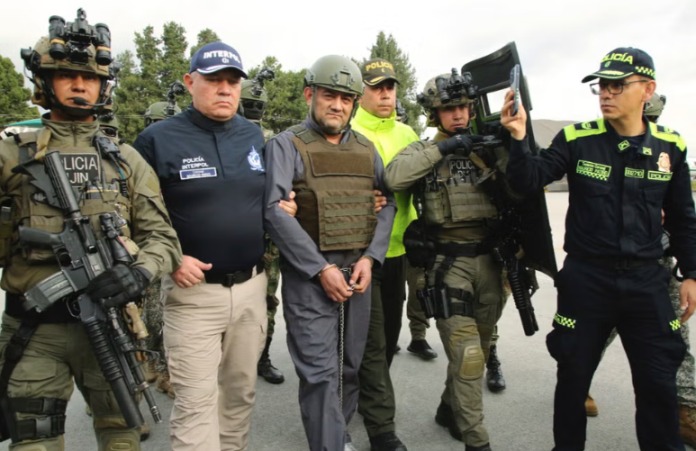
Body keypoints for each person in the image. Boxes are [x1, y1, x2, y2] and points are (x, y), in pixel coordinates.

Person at [0, 9, 182, 451]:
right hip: (35, 329)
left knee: (122, 433)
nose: (80, 85)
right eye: (66, 75)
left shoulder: (124, 160)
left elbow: (164, 239)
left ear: (104, 86)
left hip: (111, 324)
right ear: (45, 82)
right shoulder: (11, 154)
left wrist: (139, 271)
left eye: (90, 79)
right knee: (34, 440)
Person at [501, 47, 696, 450]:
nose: (606, 93)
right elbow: (527, 180)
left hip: (647, 282)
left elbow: (682, 218)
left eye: (617, 85)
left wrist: (691, 273)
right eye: (601, 85)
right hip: (587, 279)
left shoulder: (670, 147)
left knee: (659, 382)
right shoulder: (577, 139)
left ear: (647, 89)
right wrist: (519, 137)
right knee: (572, 378)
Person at [133, 41, 294, 451]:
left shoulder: (253, 135)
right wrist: (170, 258)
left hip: (251, 290)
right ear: (190, 82)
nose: (225, 89)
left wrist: (283, 206)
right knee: (196, 404)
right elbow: (127, 214)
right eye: (214, 80)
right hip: (193, 295)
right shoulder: (156, 140)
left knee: (240, 395)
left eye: (232, 82)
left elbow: (267, 199)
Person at [263, 54, 395, 451]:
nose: (338, 105)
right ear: (310, 94)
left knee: (349, 369)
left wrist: (372, 258)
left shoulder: (366, 148)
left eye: (346, 98)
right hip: (311, 278)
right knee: (321, 374)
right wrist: (320, 269)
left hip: (357, 274)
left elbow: (386, 202)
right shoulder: (286, 145)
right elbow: (273, 210)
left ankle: (337, 437)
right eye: (329, 95)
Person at [385, 70, 515, 451]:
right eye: (449, 109)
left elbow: (526, 187)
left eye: (463, 106)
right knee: (469, 353)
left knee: (482, 348)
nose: (458, 115)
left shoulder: (491, 148)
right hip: (445, 264)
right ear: (434, 114)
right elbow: (392, 177)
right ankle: (477, 439)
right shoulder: (423, 151)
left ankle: (449, 409)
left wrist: (511, 141)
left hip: (490, 263)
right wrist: (445, 148)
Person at [349, 57, 418, 451]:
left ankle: (371, 390)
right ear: (362, 93)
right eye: (377, 87)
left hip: (399, 250)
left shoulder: (408, 133)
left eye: (390, 86)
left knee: (390, 334)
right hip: (361, 251)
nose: (385, 94)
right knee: (371, 339)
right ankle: (378, 416)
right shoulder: (351, 130)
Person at [239, 73, 286, 385]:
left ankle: (261, 357)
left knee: (265, 301)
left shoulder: (271, 141)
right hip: (245, 235)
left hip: (264, 236)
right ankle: (249, 358)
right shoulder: (236, 138)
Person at [139, 88, 184, 400]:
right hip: (147, 248)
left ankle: (165, 370)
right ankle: (153, 365)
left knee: (164, 315)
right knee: (149, 315)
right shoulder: (138, 159)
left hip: (175, 246)